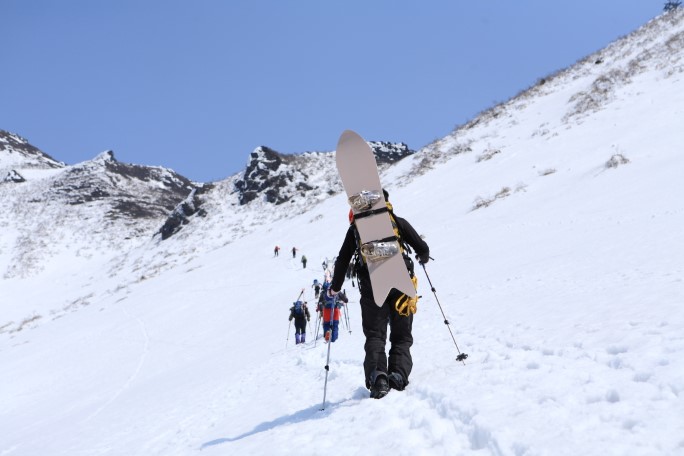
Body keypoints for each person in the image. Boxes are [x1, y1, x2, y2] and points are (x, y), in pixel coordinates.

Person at [329, 189, 429, 399]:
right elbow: (421, 247)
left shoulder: (355, 230)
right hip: (401, 283)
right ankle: (398, 375)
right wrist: (423, 256)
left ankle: (378, 378)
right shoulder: (396, 221)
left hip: (372, 285)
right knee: (401, 336)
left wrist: (335, 288)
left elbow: (342, 261)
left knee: (375, 335)